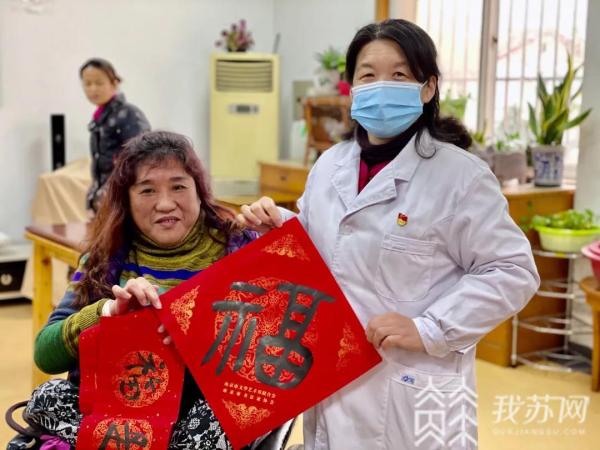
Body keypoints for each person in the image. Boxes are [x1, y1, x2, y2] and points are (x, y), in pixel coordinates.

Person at [237, 19, 540, 450]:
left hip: (408, 389)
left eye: (399, 75)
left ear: (428, 88)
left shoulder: (460, 177)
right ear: (352, 88)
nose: (381, 86)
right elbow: (326, 242)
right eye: (368, 75)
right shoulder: (330, 165)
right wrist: (281, 227)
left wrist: (431, 328)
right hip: (331, 378)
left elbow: (512, 270)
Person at [27, 131, 255, 450]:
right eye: (147, 190)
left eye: (178, 186)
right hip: (120, 419)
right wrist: (108, 312)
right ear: (127, 199)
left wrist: (202, 333)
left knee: (226, 413)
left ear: (199, 190)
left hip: (198, 425)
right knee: (47, 397)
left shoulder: (240, 251)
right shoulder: (104, 260)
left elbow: (277, 361)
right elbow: (45, 354)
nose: (165, 203)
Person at [80, 58, 151, 212]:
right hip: (107, 201)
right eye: (87, 84)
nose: (93, 89)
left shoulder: (128, 114)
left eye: (99, 83)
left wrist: (110, 194)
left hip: (124, 201)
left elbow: (141, 158)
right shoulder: (100, 117)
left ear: (114, 83)